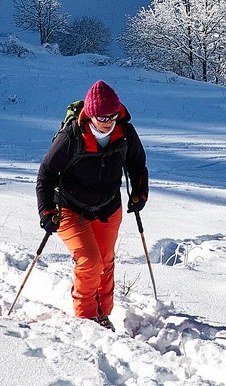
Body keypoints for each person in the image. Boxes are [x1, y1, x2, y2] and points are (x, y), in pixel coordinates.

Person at [35, 80, 148, 329]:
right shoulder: (71, 136)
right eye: (101, 116)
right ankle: (86, 318)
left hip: (108, 207)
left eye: (112, 116)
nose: (108, 121)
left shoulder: (125, 133)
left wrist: (140, 194)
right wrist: (46, 211)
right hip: (69, 207)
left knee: (106, 262)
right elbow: (45, 175)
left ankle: (102, 314)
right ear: (90, 114)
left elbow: (137, 166)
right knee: (90, 261)